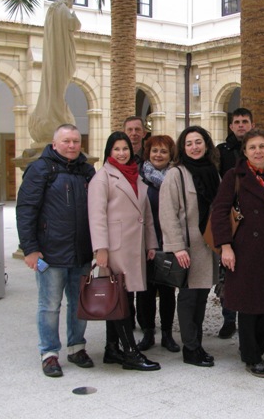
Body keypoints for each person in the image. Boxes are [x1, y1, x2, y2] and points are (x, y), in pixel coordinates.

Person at [16, 124, 95, 377]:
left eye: (75, 141)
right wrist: (30, 249)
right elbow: (26, 209)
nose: (71, 145)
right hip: (51, 254)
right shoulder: (40, 169)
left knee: (79, 304)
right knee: (49, 306)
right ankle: (49, 353)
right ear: (54, 144)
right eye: (66, 141)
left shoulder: (87, 171)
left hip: (82, 253)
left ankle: (77, 347)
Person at [210, 129, 264, 378]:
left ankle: (254, 349)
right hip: (244, 249)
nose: (258, 151)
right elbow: (219, 211)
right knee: (249, 305)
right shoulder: (234, 176)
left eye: (262, 147)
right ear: (244, 151)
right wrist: (225, 246)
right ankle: (252, 356)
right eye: (252, 147)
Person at [88, 131, 160, 371]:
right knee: (120, 298)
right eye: (117, 149)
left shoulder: (135, 175)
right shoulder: (102, 178)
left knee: (120, 296)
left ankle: (111, 348)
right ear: (109, 151)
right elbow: (96, 216)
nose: (122, 153)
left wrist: (151, 243)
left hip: (134, 245)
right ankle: (130, 352)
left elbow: (146, 214)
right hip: (115, 248)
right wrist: (100, 249)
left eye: (125, 148)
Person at [159, 126, 219, 368]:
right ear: (182, 148)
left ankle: (197, 344)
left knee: (201, 297)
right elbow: (167, 213)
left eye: (198, 142)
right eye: (189, 143)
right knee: (188, 298)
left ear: (206, 144)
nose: (194, 147)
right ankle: (190, 348)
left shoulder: (213, 172)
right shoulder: (176, 174)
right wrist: (177, 247)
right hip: (187, 247)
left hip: (208, 246)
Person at [135, 135, 181, 353]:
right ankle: (147, 332)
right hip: (144, 242)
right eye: (155, 151)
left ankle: (167, 334)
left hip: (168, 241)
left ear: (170, 154)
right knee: (145, 291)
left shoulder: (176, 177)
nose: (158, 155)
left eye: (163, 151)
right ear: (148, 153)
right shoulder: (139, 178)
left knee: (167, 291)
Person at [215, 107, 255, 339]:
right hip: (230, 218)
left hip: (254, 219)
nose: (241, 125)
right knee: (227, 273)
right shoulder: (221, 152)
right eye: (237, 121)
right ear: (231, 126)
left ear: (251, 124)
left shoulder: (258, 149)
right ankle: (229, 319)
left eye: (245, 121)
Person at [28, 0, 80, 145]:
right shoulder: (63, 9)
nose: (71, 4)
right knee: (59, 84)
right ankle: (56, 113)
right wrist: (74, 17)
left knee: (54, 85)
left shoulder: (52, 9)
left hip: (52, 53)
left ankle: (52, 111)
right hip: (61, 54)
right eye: (72, 0)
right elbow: (74, 25)